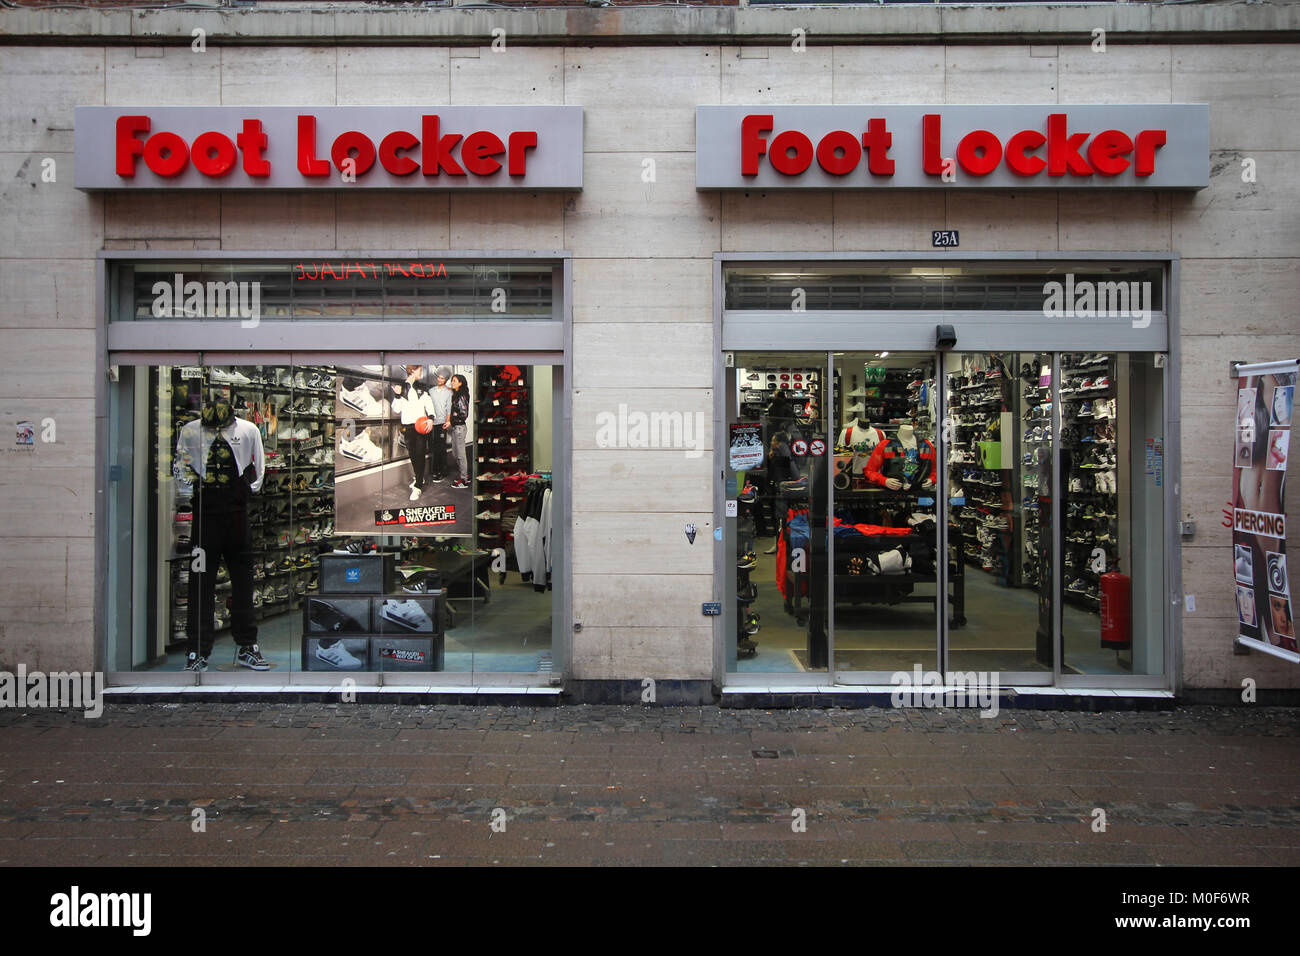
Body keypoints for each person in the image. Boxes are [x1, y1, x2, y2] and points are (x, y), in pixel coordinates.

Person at [175, 395, 268, 672]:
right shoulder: (191, 430)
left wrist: (251, 488)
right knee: (199, 584)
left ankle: (247, 644)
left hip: (236, 516)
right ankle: (197, 650)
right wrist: (187, 491)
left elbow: (258, 467)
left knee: (243, 582)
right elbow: (180, 464)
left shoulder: (248, 430)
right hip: (205, 520)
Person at [390, 365, 436, 501]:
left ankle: (418, 486)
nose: (422, 372)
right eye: (420, 370)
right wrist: (397, 396)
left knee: (420, 455)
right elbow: (396, 410)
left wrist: (431, 419)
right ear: (412, 371)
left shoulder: (421, 388)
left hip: (421, 427)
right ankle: (418, 477)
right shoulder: (402, 388)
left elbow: (429, 404)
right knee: (413, 455)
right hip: (408, 428)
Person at [426, 365, 453, 483]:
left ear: (446, 380)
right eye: (438, 377)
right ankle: (437, 470)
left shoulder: (449, 392)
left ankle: (440, 471)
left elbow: (449, 409)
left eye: (442, 378)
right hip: (432, 422)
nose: (439, 380)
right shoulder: (431, 391)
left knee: (440, 447)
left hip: (442, 422)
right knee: (434, 447)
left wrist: (448, 421)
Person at [447, 373, 471, 489]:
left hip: (459, 428)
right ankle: (464, 474)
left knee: (460, 455)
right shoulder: (456, 395)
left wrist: (451, 422)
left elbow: (464, 415)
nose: (452, 382)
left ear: (460, 383)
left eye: (455, 381)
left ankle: (464, 480)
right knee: (455, 454)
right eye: (452, 380)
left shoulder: (462, 396)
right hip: (456, 428)